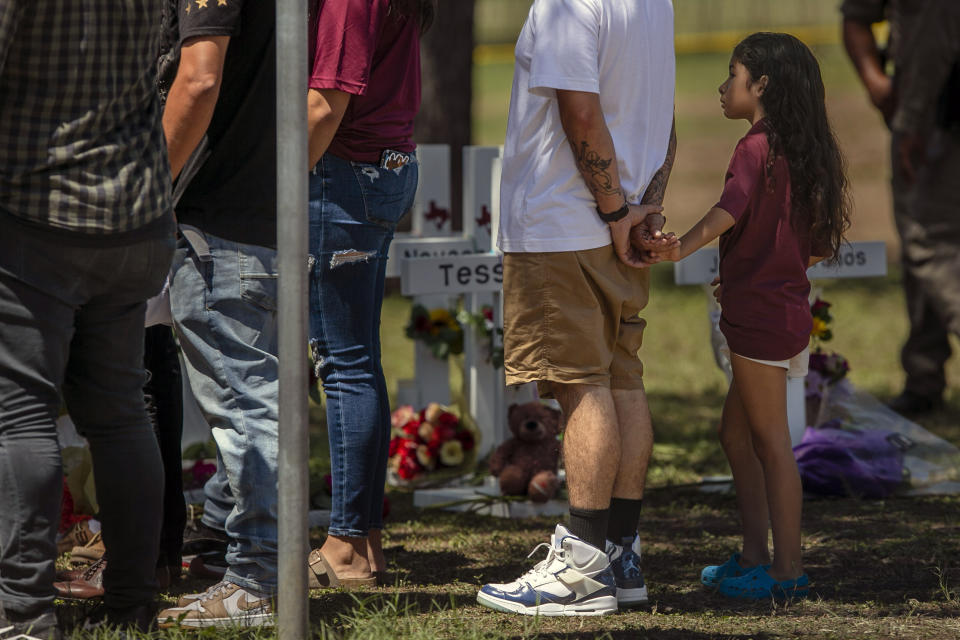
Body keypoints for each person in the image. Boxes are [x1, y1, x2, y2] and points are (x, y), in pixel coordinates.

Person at [476, 0, 677, 617]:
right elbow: (664, 120)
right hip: (616, 216)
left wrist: (617, 213)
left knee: (579, 384)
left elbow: (580, 111)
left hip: (566, 222)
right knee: (621, 380)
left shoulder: (568, 5)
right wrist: (641, 207)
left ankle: (583, 568)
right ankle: (619, 554)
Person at [646, 32, 851, 599]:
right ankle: (755, 554)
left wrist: (677, 247)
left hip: (760, 317)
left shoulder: (754, 147)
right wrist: (753, 272)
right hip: (781, 307)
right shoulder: (804, 150)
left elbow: (726, 212)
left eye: (732, 74)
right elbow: (815, 243)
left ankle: (787, 573)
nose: (722, 86)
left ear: (761, 85)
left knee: (770, 444)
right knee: (735, 435)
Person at [0, 0, 175, 636]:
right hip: (131, 208)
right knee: (121, 413)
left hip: (36, 207)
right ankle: (133, 603)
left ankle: (22, 613)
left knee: (19, 415)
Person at [154, 0, 279, 629]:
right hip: (254, 208)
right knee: (257, 399)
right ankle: (259, 573)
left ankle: (256, 582)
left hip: (217, 216)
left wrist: (148, 193)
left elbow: (199, 77)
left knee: (247, 405)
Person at [304, 0, 432, 588]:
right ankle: (364, 538)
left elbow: (325, 104)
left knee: (344, 363)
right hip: (378, 165)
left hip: (344, 171)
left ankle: (347, 545)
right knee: (357, 360)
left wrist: (273, 196)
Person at [842, 0, 960, 415]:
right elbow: (854, 18)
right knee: (924, 237)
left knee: (931, 241)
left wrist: (910, 121)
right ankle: (924, 375)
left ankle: (924, 375)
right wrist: (879, 86)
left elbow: (932, 42)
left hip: (938, 114)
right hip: (933, 106)